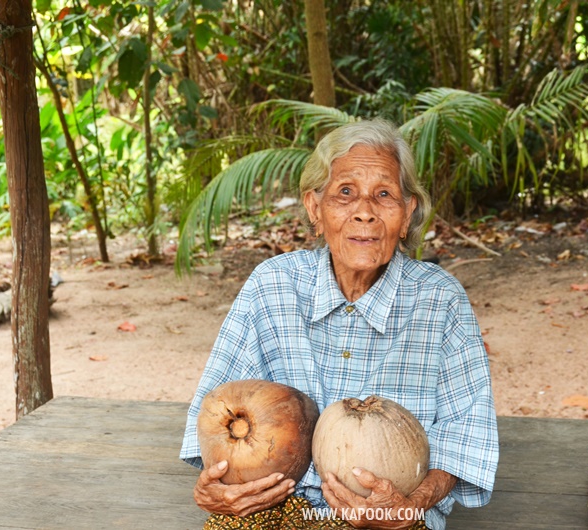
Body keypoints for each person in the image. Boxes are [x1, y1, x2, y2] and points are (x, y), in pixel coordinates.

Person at [180, 119, 499, 530]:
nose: (364, 212)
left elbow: (466, 433)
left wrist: (411, 505)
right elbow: (213, 411)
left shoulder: (440, 299)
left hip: (387, 515)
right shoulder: (272, 284)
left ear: (407, 214)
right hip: (274, 506)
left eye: (384, 194)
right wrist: (214, 490)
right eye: (345, 193)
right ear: (316, 209)